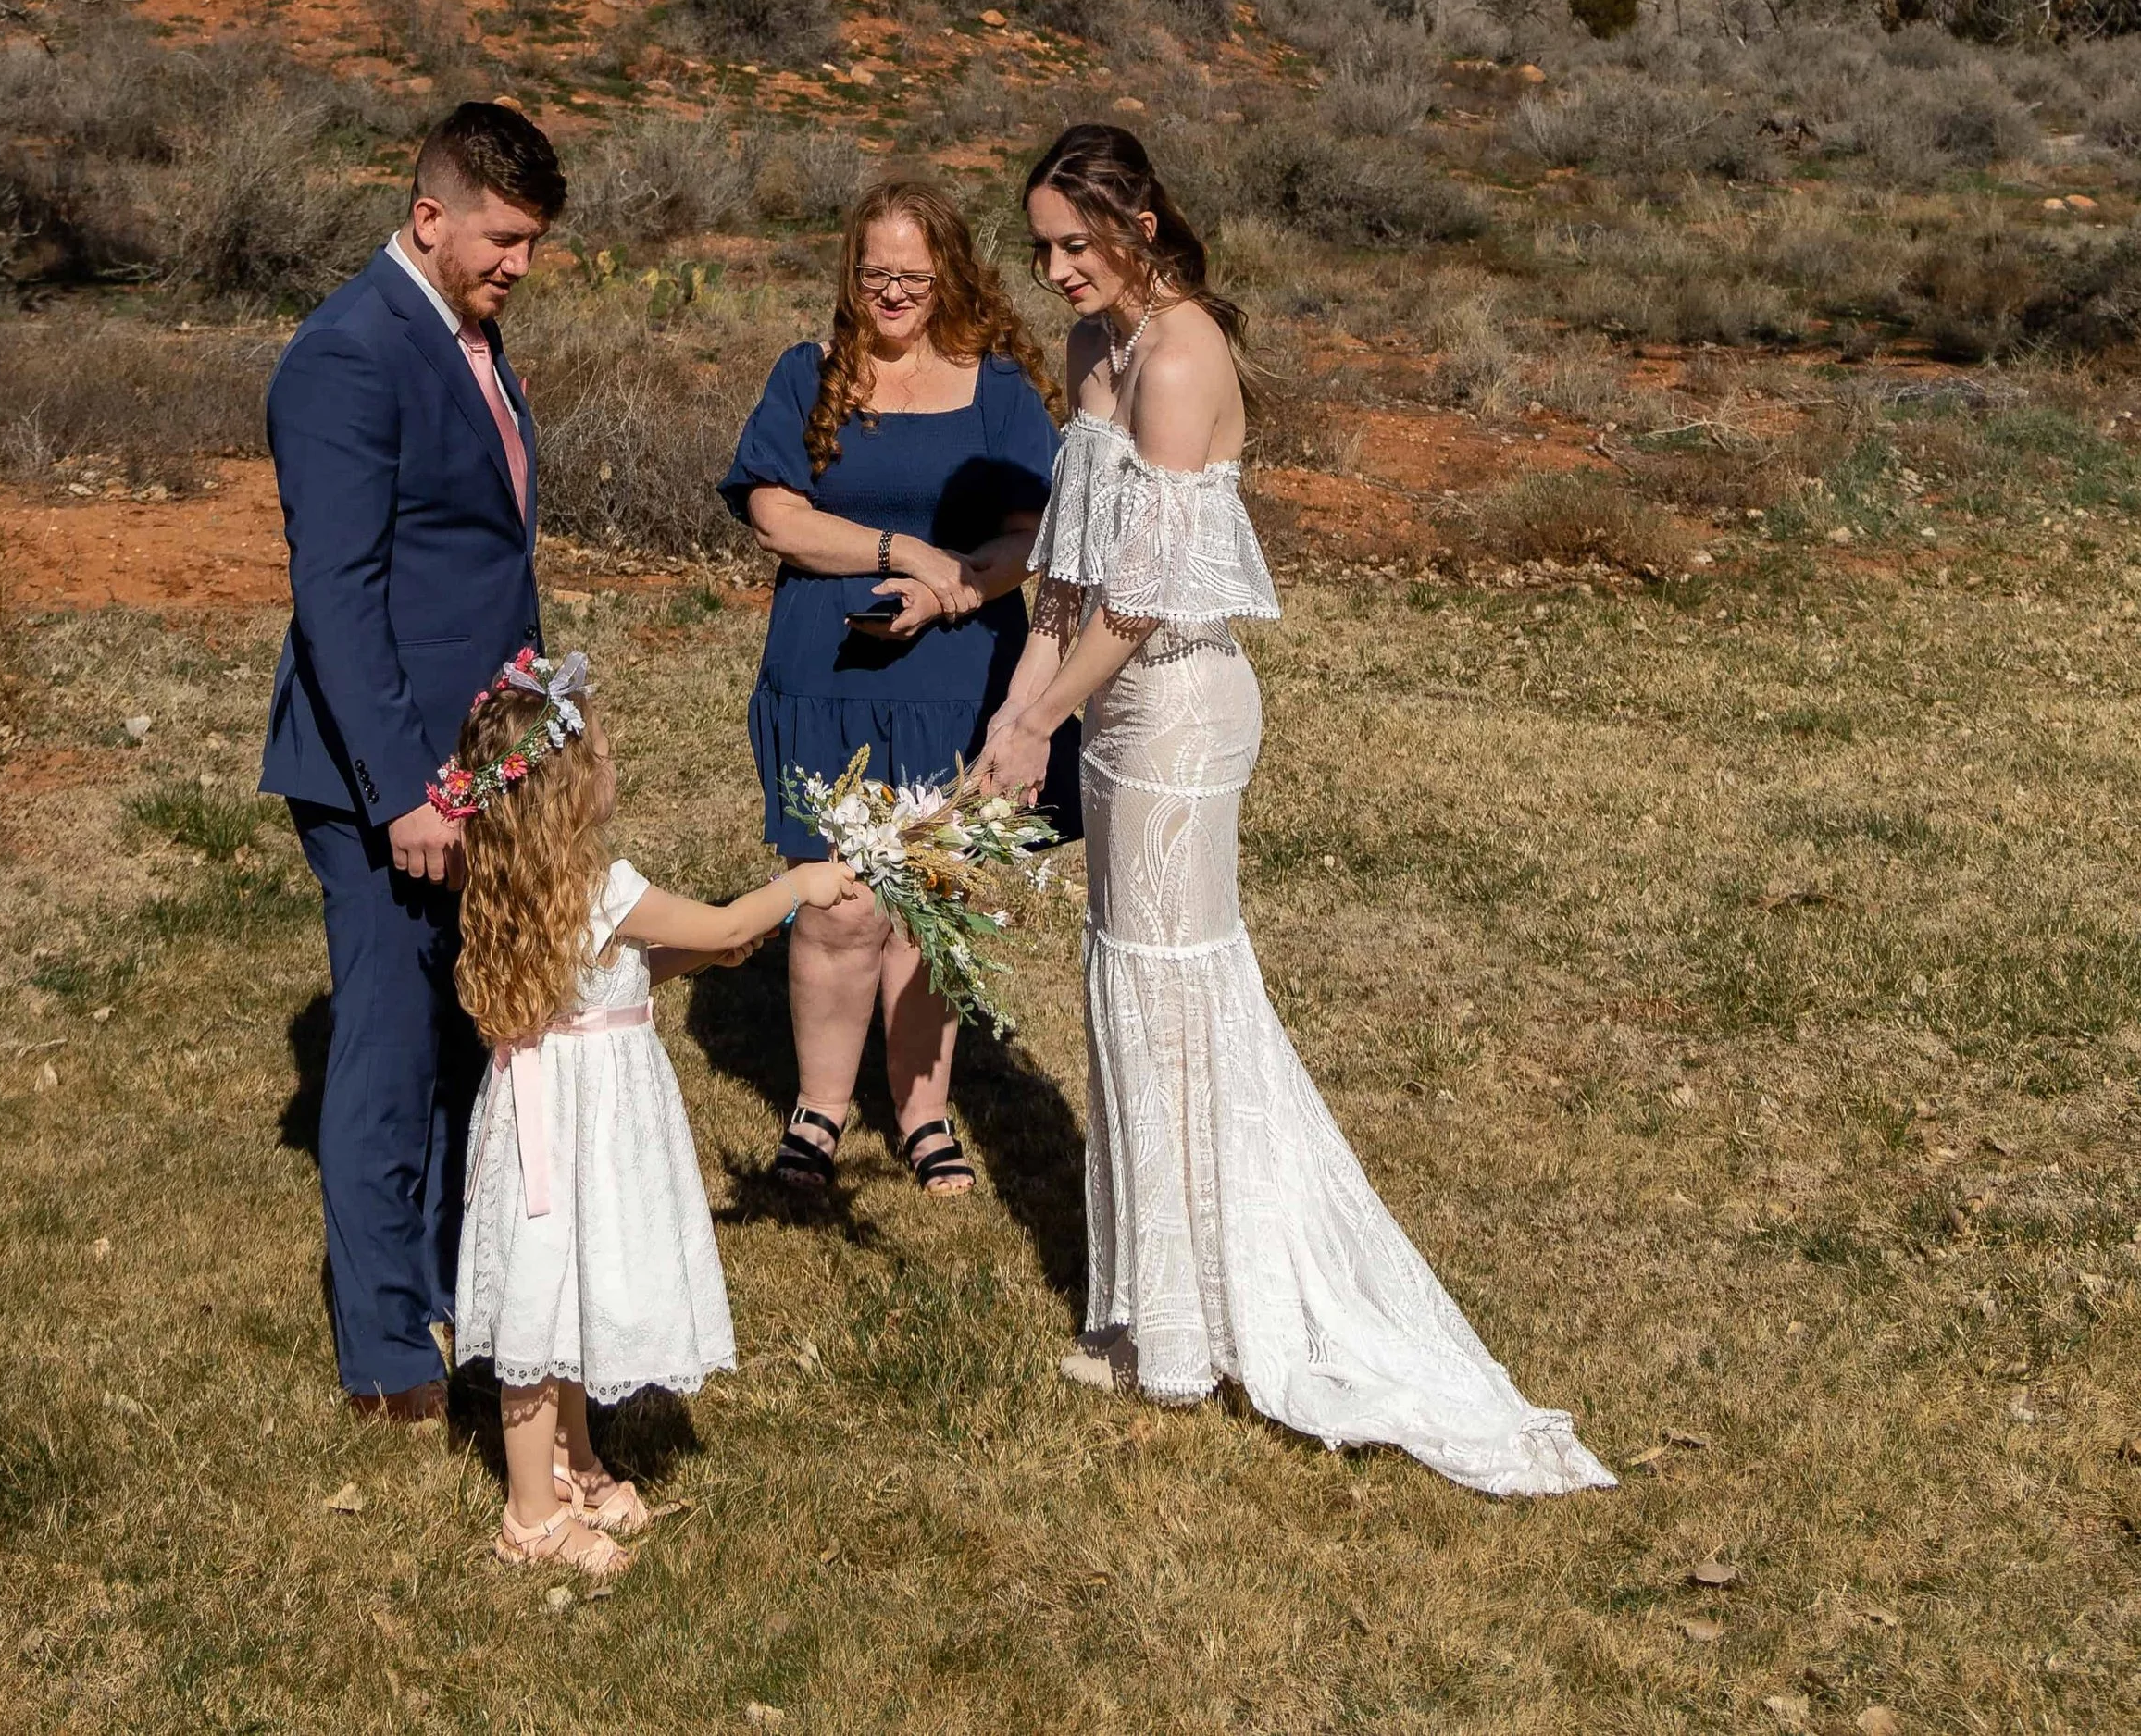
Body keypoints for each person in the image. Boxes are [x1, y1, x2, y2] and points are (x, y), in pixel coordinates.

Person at [976, 123, 1614, 1499]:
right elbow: (1073, 584)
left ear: (1139, 220)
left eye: (1077, 244)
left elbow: (1146, 596)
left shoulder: (1186, 351)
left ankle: (1199, 1323)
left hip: (1183, 705)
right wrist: (1015, 712)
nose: (1057, 270)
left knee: (1174, 990)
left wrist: (1039, 717)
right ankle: (1155, 1302)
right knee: (1124, 993)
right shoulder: (1094, 354)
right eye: (1041, 248)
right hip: (1107, 702)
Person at [261, 98, 566, 1422]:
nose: (518, 264)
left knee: (462, 1036)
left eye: (533, 243)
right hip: (384, 775)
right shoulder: (347, 353)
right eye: (501, 239)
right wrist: (406, 789)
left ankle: (453, 1275)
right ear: (429, 214)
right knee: (385, 1050)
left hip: (480, 765)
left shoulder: (468, 338)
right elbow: (339, 593)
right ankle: (385, 1344)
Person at [442, 644, 863, 1581]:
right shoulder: (605, 885)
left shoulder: (524, 878)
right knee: (537, 1313)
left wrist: (686, 963)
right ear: (565, 790)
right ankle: (530, 1517)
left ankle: (575, 1460)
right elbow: (715, 923)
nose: (611, 768)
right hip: (581, 1125)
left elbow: (606, 974)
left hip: (553, 1115)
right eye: (598, 757)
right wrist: (796, 888)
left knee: (568, 1295)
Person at [720, 176, 1062, 1201]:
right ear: (852, 274)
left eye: (913, 274)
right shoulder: (806, 373)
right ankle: (819, 1110)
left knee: (930, 905)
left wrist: (948, 593)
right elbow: (774, 514)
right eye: (876, 274)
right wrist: (895, 547)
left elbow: (1033, 537)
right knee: (834, 908)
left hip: (958, 679)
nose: (893, 292)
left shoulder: (996, 387)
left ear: (947, 271)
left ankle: (921, 1111)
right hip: (826, 679)